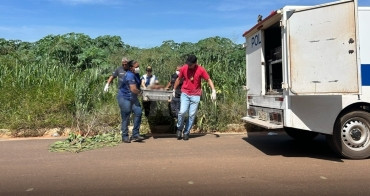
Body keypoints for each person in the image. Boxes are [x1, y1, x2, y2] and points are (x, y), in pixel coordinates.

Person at [173, 55, 216, 140]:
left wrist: (213, 90)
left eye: (191, 64)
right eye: (188, 64)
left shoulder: (201, 69)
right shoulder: (184, 68)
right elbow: (178, 79)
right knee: (182, 112)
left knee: (192, 115)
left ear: (195, 63)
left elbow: (208, 79)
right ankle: (179, 128)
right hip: (185, 93)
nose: (189, 66)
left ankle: (186, 132)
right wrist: (174, 89)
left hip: (195, 95)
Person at [117, 60, 144, 143]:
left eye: (138, 66)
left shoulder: (136, 74)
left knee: (138, 112)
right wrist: (141, 93)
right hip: (124, 97)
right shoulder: (129, 75)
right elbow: (133, 89)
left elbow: (138, 85)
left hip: (133, 98)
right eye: (136, 67)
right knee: (126, 116)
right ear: (131, 68)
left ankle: (135, 134)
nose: (138, 68)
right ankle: (125, 136)